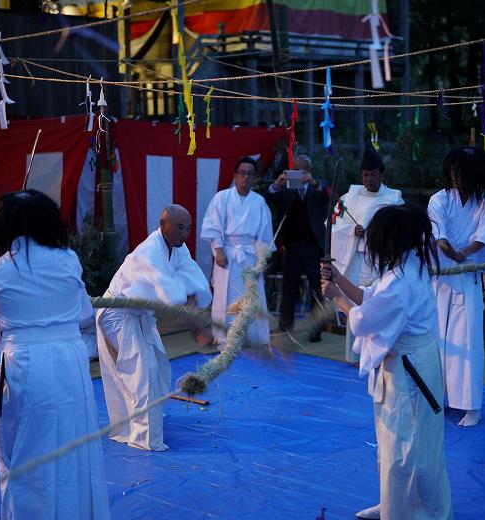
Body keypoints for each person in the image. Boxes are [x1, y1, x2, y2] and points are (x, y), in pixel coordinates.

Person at [0, 189, 109, 519]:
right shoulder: (68, 260)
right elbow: (81, 314)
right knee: (73, 444)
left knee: (23, 449)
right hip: (69, 360)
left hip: (25, 363)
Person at [321, 205, 452, 520]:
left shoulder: (401, 281)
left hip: (410, 372)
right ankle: (393, 503)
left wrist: (336, 297)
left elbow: (364, 320)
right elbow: (371, 298)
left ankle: (418, 512)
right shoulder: (407, 267)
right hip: (407, 366)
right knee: (392, 442)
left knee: (409, 449)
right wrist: (339, 278)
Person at [98, 205, 212, 451]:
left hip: (141, 315)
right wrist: (197, 327)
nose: (184, 234)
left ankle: (136, 424)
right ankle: (144, 439)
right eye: (179, 227)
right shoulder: (149, 253)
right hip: (117, 313)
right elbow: (169, 294)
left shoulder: (178, 251)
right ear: (163, 225)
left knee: (159, 368)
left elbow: (192, 281)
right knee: (143, 373)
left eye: (188, 228)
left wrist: (196, 302)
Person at [428, 146, 485, 427]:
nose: (456, 177)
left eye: (462, 173)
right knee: (435, 341)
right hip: (440, 278)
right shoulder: (439, 199)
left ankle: (471, 407)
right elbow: (438, 232)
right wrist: (448, 249)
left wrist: (464, 253)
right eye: (453, 172)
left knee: (467, 343)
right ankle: (434, 396)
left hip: (468, 278)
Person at [330, 145, 403, 362]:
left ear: (381, 174)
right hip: (353, 258)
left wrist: (374, 233)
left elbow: (399, 228)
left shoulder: (393, 198)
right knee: (353, 302)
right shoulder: (349, 197)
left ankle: (379, 351)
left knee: (376, 303)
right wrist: (351, 231)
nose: (368, 179)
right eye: (365, 174)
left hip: (377, 259)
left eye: (372, 174)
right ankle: (354, 355)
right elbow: (332, 225)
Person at [201, 156, 274, 347]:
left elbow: (265, 235)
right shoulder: (222, 198)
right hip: (228, 254)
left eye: (250, 174)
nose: (246, 177)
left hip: (250, 255)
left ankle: (253, 338)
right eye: (242, 173)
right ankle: (223, 338)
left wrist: (261, 259)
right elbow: (213, 226)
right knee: (224, 296)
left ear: (255, 178)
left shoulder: (259, 202)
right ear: (235, 176)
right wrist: (218, 250)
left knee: (251, 296)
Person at [266, 153, 329, 341]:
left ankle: (316, 328)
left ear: (308, 172)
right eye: (295, 170)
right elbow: (269, 198)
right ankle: (285, 324)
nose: (297, 175)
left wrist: (314, 183)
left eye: (301, 171)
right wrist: (278, 182)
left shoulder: (317, 187)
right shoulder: (286, 189)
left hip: (312, 246)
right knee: (288, 287)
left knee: (316, 288)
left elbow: (329, 199)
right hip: (291, 246)